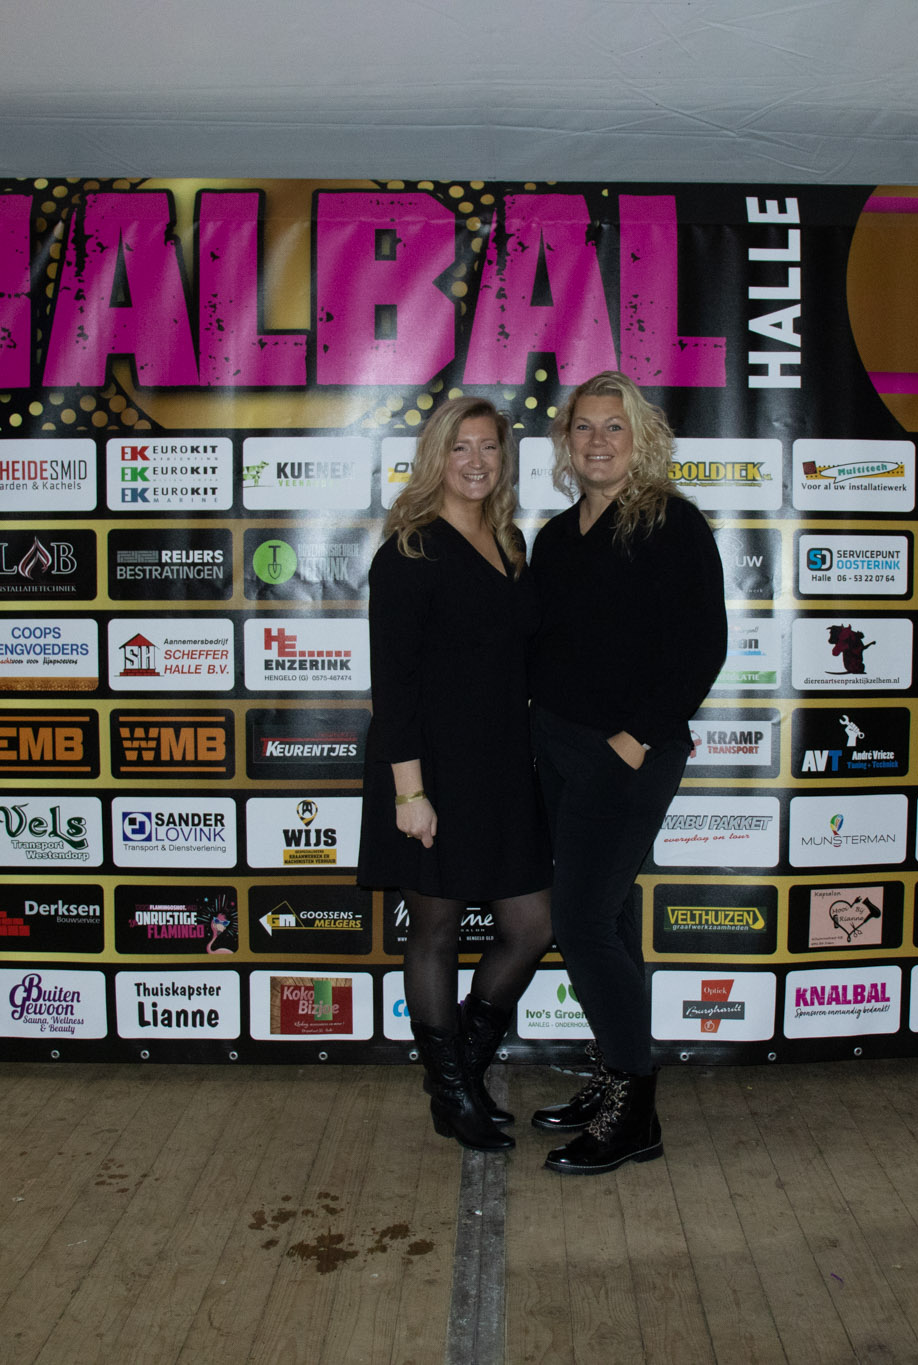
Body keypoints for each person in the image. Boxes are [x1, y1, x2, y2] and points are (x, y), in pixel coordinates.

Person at [527, 371, 727, 1175]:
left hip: (629, 754)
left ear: (640, 438)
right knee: (605, 921)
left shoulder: (672, 523)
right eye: (584, 427)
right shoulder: (552, 536)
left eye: (614, 427)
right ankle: (618, 1074)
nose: (598, 440)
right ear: (565, 441)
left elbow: (703, 644)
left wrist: (636, 738)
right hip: (556, 748)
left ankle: (634, 1112)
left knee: (579, 922)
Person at [357, 395, 553, 1152]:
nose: (476, 461)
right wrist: (409, 792)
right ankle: (452, 1094)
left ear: (505, 459)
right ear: (437, 457)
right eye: (461, 447)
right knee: (435, 929)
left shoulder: (510, 542)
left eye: (490, 448)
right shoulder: (408, 552)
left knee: (532, 926)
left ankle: (461, 1071)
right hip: (430, 768)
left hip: (501, 766)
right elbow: (394, 685)